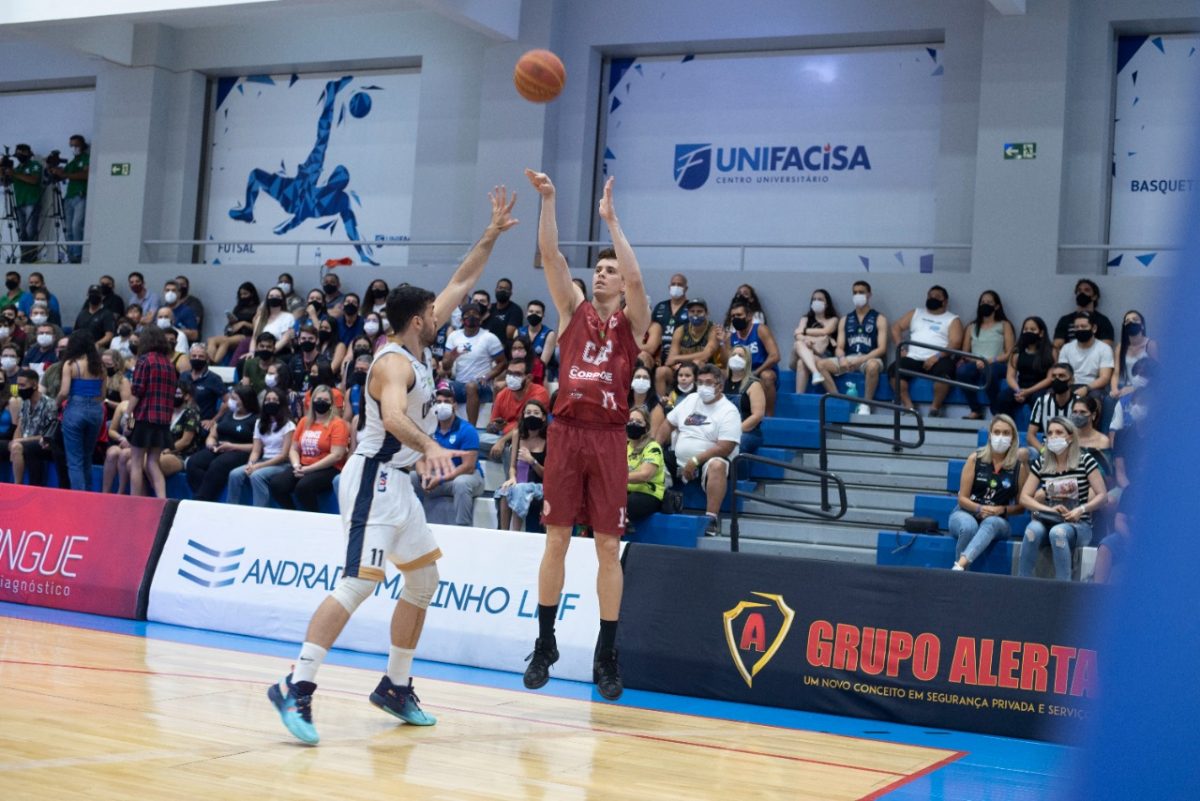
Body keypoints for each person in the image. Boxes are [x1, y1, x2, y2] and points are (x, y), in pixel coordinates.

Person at [266, 185, 517, 745]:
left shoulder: (417, 344)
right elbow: (396, 417)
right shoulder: (392, 364)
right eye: (432, 313)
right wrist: (430, 446)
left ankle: (395, 687)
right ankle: (295, 685)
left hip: (397, 484)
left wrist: (491, 234)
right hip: (372, 479)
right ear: (417, 320)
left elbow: (462, 279)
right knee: (357, 584)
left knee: (423, 580)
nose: (441, 315)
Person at [520, 169, 649, 702]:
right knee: (556, 540)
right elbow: (552, 256)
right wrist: (549, 200)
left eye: (609, 270)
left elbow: (638, 282)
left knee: (607, 546)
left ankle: (607, 653)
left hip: (609, 437)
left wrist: (613, 222)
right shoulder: (572, 310)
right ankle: (544, 642)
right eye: (597, 268)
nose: (601, 274)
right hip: (568, 433)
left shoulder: (632, 323)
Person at [1018, 417, 1107, 580]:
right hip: (1048, 519)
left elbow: (1103, 496)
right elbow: (1024, 498)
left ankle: (1063, 586)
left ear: (1070, 437)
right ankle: (1021, 583)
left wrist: (1081, 509)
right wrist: (1049, 510)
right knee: (1032, 531)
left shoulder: (1085, 460)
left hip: (1079, 524)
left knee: (1057, 533)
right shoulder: (1042, 462)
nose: (1053, 436)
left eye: (1059, 432)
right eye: (1050, 433)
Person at [658, 363, 742, 536]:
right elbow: (668, 423)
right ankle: (657, 507)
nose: (703, 387)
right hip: (679, 459)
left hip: (709, 461)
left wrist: (696, 460)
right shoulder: (691, 399)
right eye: (700, 382)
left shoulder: (729, 411)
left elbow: (725, 447)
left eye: (708, 382)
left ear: (720, 386)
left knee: (717, 465)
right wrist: (655, 447)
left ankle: (711, 519)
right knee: (653, 460)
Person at [948, 414, 1026, 571]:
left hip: (998, 520)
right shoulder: (975, 459)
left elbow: (1021, 507)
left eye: (1006, 433)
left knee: (991, 522)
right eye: (997, 432)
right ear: (990, 435)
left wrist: (1001, 509)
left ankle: (959, 568)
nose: (1000, 437)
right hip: (966, 512)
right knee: (969, 527)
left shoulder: (1020, 467)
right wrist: (980, 508)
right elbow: (962, 499)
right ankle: (960, 574)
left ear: (1013, 438)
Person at [270, 384, 351, 512]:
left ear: (331, 403)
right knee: (277, 484)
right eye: (318, 399)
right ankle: (292, 514)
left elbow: (337, 455)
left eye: (325, 400)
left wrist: (309, 469)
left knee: (303, 487)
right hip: (303, 465)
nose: (321, 402)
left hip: (329, 468)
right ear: (312, 401)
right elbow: (294, 448)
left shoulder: (338, 424)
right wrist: (296, 465)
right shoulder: (304, 421)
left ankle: (314, 518)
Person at [891, 285, 962, 416]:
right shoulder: (916, 313)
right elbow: (896, 327)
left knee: (946, 372)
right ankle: (908, 407)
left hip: (939, 358)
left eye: (937, 297)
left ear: (945, 301)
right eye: (930, 296)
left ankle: (935, 408)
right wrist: (900, 348)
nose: (933, 298)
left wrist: (937, 356)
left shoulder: (953, 319)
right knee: (894, 370)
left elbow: (955, 343)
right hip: (913, 357)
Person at [126, 325, 178, 498]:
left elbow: (137, 392)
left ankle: (134, 502)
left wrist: (127, 416)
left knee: (136, 463)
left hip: (143, 418)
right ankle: (162, 500)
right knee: (153, 463)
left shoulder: (144, 361)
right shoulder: (169, 364)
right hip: (162, 421)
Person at [816, 280, 888, 403]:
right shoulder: (845, 319)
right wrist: (842, 359)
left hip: (869, 358)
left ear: (869, 294)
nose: (857, 295)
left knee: (873, 366)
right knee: (820, 365)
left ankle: (866, 404)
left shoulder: (879, 318)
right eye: (855, 293)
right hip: (849, 358)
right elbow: (839, 347)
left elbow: (882, 349)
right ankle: (837, 399)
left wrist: (861, 359)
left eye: (861, 292)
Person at [187, 384, 258, 501]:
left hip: (240, 451)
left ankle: (200, 499)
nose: (230, 401)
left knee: (217, 465)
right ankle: (207, 497)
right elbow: (213, 434)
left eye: (234, 399)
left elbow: (257, 447)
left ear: (246, 401)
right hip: (218, 448)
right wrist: (210, 443)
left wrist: (232, 446)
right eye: (231, 397)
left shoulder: (255, 419)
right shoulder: (227, 414)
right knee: (193, 462)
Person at [227, 388, 295, 506]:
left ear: (281, 403)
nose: (270, 402)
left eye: (274, 400)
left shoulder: (289, 425)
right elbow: (256, 450)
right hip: (263, 460)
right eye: (268, 399)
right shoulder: (259, 423)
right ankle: (232, 507)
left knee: (256, 475)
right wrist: (250, 464)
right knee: (234, 474)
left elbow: (283, 455)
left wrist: (258, 466)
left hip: (282, 464)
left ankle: (260, 510)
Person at [57, 329, 106, 491]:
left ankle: (79, 497)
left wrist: (56, 404)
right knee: (87, 457)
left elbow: (64, 392)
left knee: (74, 460)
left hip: (75, 409)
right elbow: (102, 395)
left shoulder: (70, 364)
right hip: (96, 411)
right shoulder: (100, 366)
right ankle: (89, 494)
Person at [442, 301, 506, 425]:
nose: (471, 317)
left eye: (475, 315)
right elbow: (445, 367)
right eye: (468, 315)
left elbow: (502, 363)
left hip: (482, 386)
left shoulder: (489, 337)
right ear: (462, 320)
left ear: (480, 319)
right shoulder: (454, 336)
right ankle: (445, 427)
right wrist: (452, 357)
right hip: (459, 384)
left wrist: (487, 376)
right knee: (441, 387)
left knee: (471, 386)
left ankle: (471, 428)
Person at [956, 290, 1014, 420]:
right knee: (962, 372)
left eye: (989, 302)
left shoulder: (1004, 325)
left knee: (989, 372)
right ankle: (975, 410)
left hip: (997, 363)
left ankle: (997, 411)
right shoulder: (972, 326)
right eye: (982, 302)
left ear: (997, 306)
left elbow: (1009, 353)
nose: (985, 304)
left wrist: (989, 360)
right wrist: (977, 360)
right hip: (976, 362)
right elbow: (965, 353)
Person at [496, 399, 548, 531]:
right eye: (528, 412)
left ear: (543, 417)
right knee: (505, 490)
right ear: (523, 415)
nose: (531, 415)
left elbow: (547, 475)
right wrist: (512, 478)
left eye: (536, 413)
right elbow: (512, 466)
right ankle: (503, 532)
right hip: (521, 482)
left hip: (542, 485)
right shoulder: (517, 434)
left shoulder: (549, 437)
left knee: (519, 490)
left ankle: (516, 532)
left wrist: (532, 460)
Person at [486, 355, 550, 461]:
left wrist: (502, 441)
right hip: (502, 437)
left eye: (517, 374)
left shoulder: (539, 393)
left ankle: (511, 471)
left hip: (527, 439)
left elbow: (528, 426)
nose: (511, 377)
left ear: (529, 378)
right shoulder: (502, 394)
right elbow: (490, 426)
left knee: (508, 448)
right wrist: (494, 426)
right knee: (473, 441)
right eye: (509, 373)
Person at [726, 299, 780, 417]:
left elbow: (775, 356)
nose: (735, 318)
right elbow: (728, 361)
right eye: (733, 316)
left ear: (749, 316)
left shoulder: (760, 329)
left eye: (739, 315)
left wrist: (756, 372)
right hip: (740, 372)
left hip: (760, 370)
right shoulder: (731, 336)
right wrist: (723, 343)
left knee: (767, 376)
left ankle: (769, 416)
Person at [996, 316, 1055, 420]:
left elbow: (1050, 378)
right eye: (1025, 329)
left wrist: (1028, 391)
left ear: (1041, 333)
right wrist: (1018, 391)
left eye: (1032, 329)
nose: (1028, 332)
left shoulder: (1051, 351)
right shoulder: (1016, 351)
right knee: (1002, 397)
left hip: (1040, 388)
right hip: (1020, 388)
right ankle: (1007, 425)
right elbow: (1010, 376)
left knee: (1038, 400)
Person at [6, 369, 56, 486]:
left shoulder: (49, 404)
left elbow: (47, 435)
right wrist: (14, 441)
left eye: (23, 385)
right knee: (13, 446)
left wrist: (18, 441)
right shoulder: (25, 402)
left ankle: (17, 486)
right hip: (23, 441)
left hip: (43, 444)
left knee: (17, 446)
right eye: (18, 385)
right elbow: (20, 426)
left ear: (34, 385)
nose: (20, 389)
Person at [46, 135, 89, 263]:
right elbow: (62, 176)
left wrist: (65, 174)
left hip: (80, 195)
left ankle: (78, 254)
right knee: (69, 228)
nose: (73, 148)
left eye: (76, 145)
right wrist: (52, 169)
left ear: (82, 145)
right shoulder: (72, 162)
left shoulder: (86, 158)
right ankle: (71, 255)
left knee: (77, 226)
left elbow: (86, 174)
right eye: (71, 145)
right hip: (69, 197)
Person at [1058, 311, 1114, 405]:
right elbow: (1061, 373)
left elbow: (1105, 378)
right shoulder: (1066, 348)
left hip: (1093, 387)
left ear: (1094, 328)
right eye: (1076, 327)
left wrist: (1086, 388)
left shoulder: (1104, 349)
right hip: (1070, 385)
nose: (1080, 329)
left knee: (1095, 397)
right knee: (1051, 394)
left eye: (1083, 326)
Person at [790, 289, 839, 393]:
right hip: (803, 351)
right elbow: (797, 335)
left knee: (801, 362)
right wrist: (806, 340)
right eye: (814, 299)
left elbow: (826, 331)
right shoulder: (805, 318)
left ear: (827, 303)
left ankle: (799, 396)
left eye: (820, 299)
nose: (816, 301)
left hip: (822, 356)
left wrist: (804, 331)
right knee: (798, 343)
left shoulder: (833, 320)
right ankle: (815, 372)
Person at [646, 273, 689, 387]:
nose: (676, 287)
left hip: (680, 354)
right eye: (673, 284)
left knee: (663, 372)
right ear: (669, 287)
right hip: (659, 352)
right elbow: (650, 330)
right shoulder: (661, 306)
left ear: (686, 288)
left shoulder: (691, 308)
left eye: (679, 285)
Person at [625, 406, 666, 524]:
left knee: (624, 504)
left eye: (639, 422)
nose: (633, 424)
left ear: (646, 428)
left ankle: (624, 524)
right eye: (630, 421)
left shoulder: (653, 447)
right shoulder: (622, 446)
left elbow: (645, 475)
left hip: (648, 494)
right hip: (626, 491)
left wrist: (617, 478)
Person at [724, 344, 766, 458]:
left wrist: (735, 430)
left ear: (747, 361)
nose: (736, 358)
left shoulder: (754, 384)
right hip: (724, 430)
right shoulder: (723, 383)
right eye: (733, 355)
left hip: (748, 432)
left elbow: (757, 416)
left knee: (736, 445)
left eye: (741, 356)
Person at [1052, 279, 1114, 355]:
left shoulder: (1103, 321)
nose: (1082, 293)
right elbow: (1057, 345)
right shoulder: (1065, 320)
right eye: (1079, 290)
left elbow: (1106, 347)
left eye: (1087, 290)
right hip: (1068, 358)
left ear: (1094, 297)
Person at [1110, 310, 1158, 402]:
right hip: (1125, 387)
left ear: (1142, 326)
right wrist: (1114, 389)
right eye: (1127, 321)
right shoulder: (1120, 347)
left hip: (1146, 389)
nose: (1131, 322)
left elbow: (1157, 374)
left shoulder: (1151, 345)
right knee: (1110, 400)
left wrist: (1133, 388)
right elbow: (1116, 373)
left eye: (1135, 320)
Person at [159, 378, 201, 481]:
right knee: (131, 462)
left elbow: (185, 441)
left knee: (154, 463)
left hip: (181, 455)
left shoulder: (191, 413)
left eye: (177, 393)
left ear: (186, 396)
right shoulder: (166, 411)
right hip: (160, 450)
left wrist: (167, 451)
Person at [5, 146, 43, 263]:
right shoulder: (17, 169)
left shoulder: (35, 165)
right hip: (19, 203)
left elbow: (34, 180)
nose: (20, 155)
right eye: (18, 153)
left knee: (30, 230)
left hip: (32, 201)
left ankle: (32, 257)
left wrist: (14, 174)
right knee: (22, 232)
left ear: (28, 153)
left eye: (22, 152)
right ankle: (25, 256)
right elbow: (4, 183)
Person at [664, 298, 717, 377]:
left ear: (706, 313)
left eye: (699, 311)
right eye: (692, 311)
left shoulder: (713, 329)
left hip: (706, 369)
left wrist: (677, 358)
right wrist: (675, 362)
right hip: (683, 368)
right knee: (662, 371)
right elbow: (671, 359)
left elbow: (705, 355)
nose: (695, 314)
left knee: (698, 363)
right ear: (688, 313)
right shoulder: (680, 330)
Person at [1027, 363, 1076, 448]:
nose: (1057, 379)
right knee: (1023, 452)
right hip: (1047, 448)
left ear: (1071, 380)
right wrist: (1042, 451)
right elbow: (1030, 435)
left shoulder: (1079, 403)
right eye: (1054, 376)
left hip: (1072, 448)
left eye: (1061, 376)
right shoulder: (1042, 401)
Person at [185, 344, 227, 427]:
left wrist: (213, 420)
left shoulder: (214, 379)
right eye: (194, 356)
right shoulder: (184, 375)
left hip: (202, 424)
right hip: (183, 422)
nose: (197, 358)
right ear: (189, 358)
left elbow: (228, 402)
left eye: (201, 356)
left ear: (207, 359)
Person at [515, 300, 557, 383]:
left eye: (538, 312)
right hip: (521, 369)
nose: (534, 314)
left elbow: (543, 363)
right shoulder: (518, 332)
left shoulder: (549, 334)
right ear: (527, 313)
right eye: (531, 311)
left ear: (543, 315)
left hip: (544, 371)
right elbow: (514, 357)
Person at [74, 284, 117, 349]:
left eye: (96, 295)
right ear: (88, 296)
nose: (94, 297)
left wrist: (97, 344)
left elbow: (109, 336)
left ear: (102, 297)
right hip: (81, 347)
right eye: (92, 294)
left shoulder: (107, 314)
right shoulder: (82, 313)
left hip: (99, 348)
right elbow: (75, 332)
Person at [628, 364, 665, 434]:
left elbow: (653, 436)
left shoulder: (656, 408)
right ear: (631, 382)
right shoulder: (624, 403)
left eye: (645, 378)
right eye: (638, 377)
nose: (641, 380)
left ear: (650, 384)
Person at [490, 277, 524, 343]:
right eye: (500, 288)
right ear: (496, 290)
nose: (502, 291)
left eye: (506, 289)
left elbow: (509, 335)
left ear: (511, 293)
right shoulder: (490, 307)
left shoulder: (515, 310)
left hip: (504, 346)